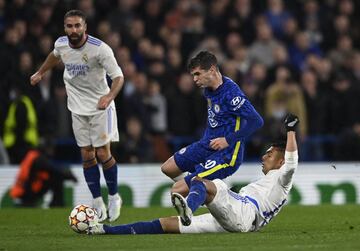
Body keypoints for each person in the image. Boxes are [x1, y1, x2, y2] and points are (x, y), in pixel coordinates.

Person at [87, 114, 299, 235]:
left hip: (243, 212)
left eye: (269, 154)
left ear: (280, 161)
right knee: (165, 224)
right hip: (235, 218)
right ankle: (104, 230)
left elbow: (291, 163)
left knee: (205, 182)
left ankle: (189, 207)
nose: (264, 157)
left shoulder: (282, 177)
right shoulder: (273, 182)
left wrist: (290, 131)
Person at [30, 10, 124, 222]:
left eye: (77, 26)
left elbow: (118, 77)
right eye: (70, 26)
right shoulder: (61, 44)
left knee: (102, 153)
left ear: (85, 27)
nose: (74, 30)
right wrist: (40, 72)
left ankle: (114, 196)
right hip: (77, 108)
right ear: (65, 28)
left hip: (102, 107)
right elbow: (54, 56)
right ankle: (97, 201)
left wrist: (109, 96)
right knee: (86, 156)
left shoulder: (100, 49)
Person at [161, 51, 264, 200]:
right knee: (168, 168)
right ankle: (207, 189)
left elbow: (256, 121)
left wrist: (227, 140)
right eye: (193, 75)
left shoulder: (232, 94)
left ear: (212, 70)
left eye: (197, 74)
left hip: (225, 152)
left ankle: (200, 191)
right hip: (207, 144)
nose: (194, 79)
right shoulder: (207, 90)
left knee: (177, 189)